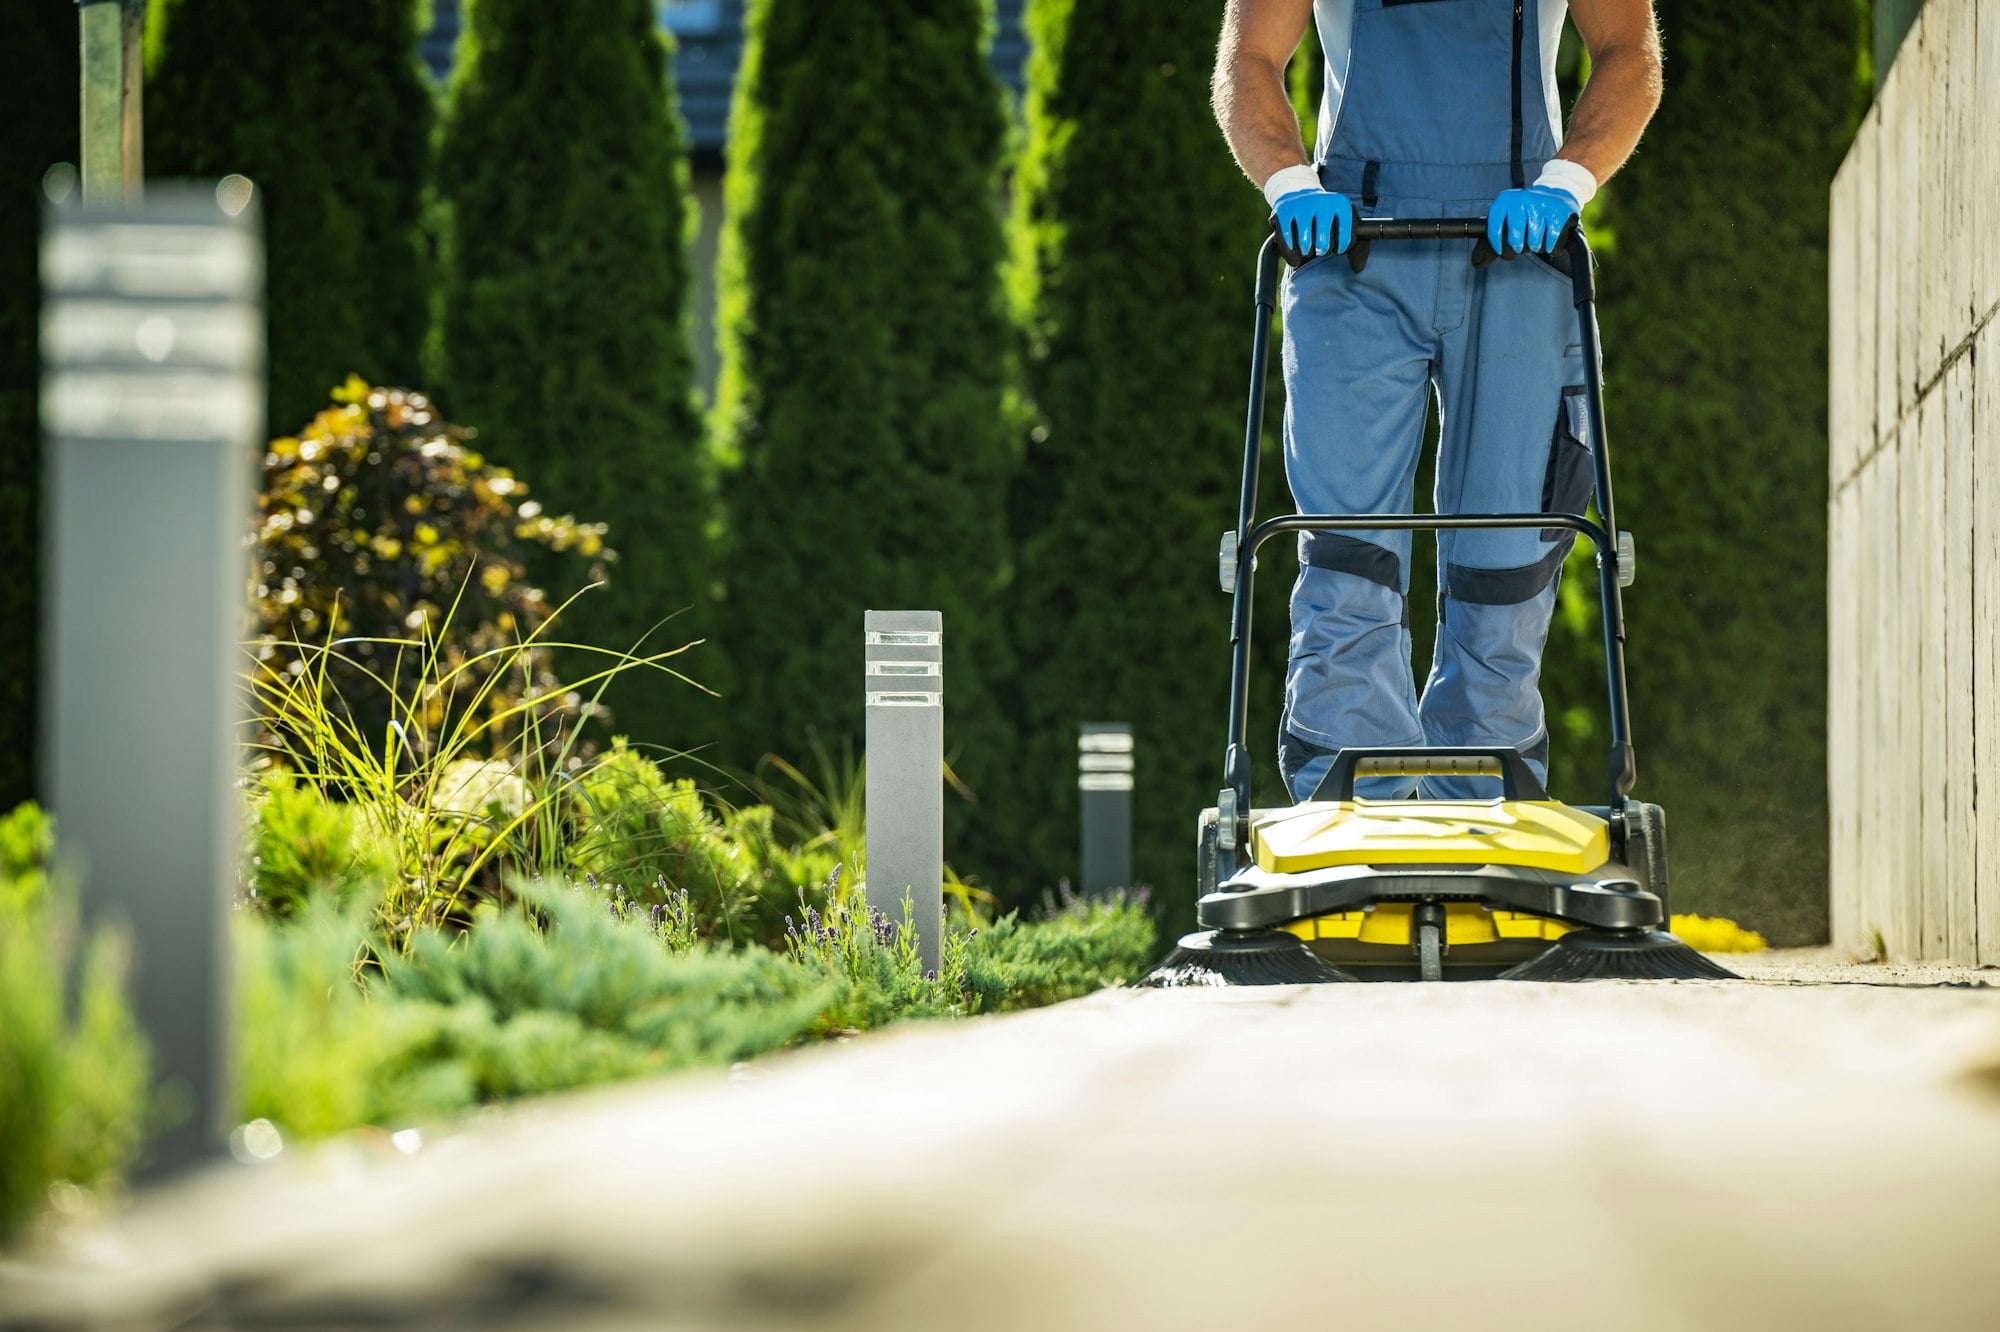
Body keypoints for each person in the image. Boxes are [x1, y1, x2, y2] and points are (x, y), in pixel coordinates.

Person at [1214, 0, 1663, 802]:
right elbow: (1249, 59)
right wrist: (1290, 184)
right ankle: (1350, 792)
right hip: (1349, 244)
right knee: (1348, 545)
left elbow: (1630, 52)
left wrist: (1565, 183)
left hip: (1522, 242)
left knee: (1509, 547)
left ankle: (1486, 791)